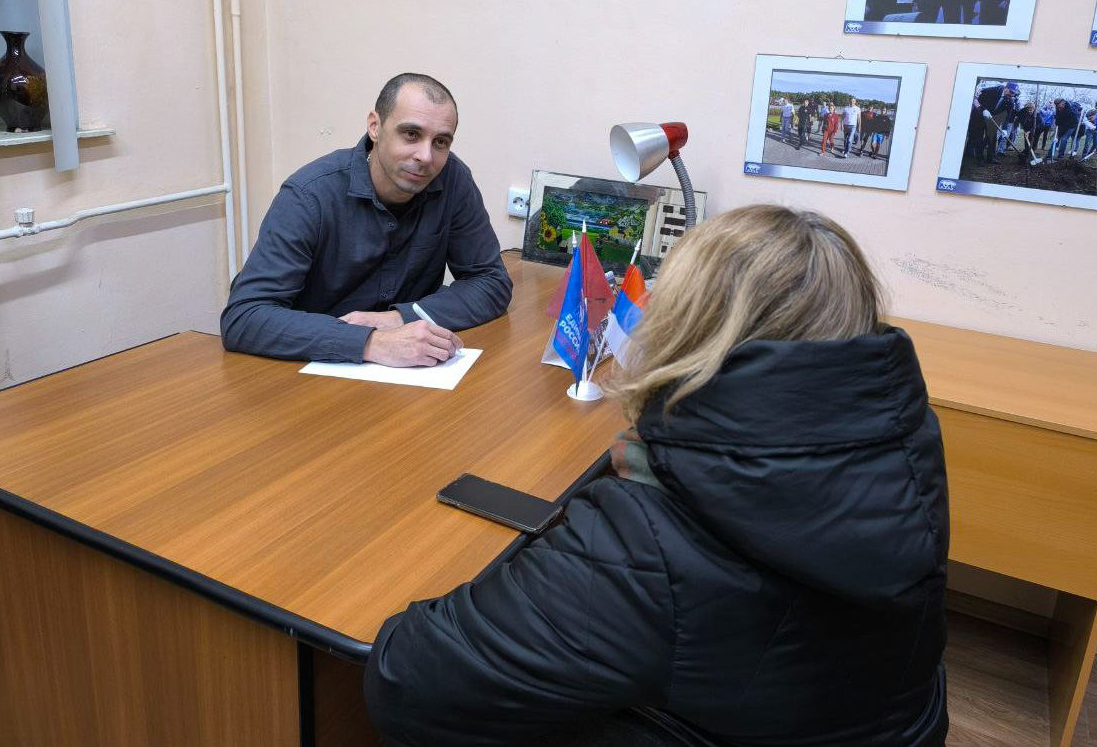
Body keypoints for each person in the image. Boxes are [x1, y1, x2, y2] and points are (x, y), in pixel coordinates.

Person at [364, 205, 951, 747]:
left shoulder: (646, 547)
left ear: (689, 329)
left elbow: (405, 678)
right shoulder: (903, 445)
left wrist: (633, 499)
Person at [221, 73, 512, 365]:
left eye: (440, 142)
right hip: (306, 369)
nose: (426, 156)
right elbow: (244, 316)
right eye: (411, 134)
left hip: (407, 371)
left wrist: (399, 318)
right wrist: (370, 342)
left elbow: (491, 282)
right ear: (375, 126)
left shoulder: (452, 180)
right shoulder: (309, 194)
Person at [973, 81, 1019, 164]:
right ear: (1005, 88)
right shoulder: (992, 90)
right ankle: (980, 158)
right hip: (980, 116)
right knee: (979, 137)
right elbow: (976, 99)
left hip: (992, 119)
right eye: (1010, 91)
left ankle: (990, 158)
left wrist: (1004, 129)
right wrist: (982, 110)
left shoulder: (1010, 102)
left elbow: (1007, 116)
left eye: (1013, 93)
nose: (1011, 94)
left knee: (992, 138)